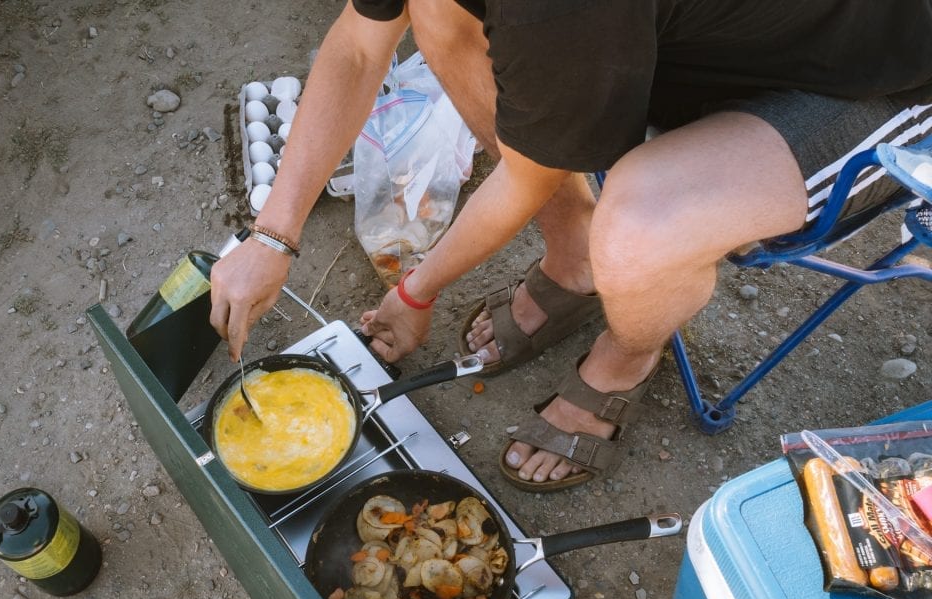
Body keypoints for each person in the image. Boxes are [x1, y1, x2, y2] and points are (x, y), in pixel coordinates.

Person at [211, 0, 932, 492]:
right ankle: (576, 259)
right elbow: (359, 45)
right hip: (701, 35)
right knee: (438, 10)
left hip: (866, 74)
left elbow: (527, 176)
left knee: (643, 224)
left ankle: (625, 359)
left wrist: (415, 291)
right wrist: (274, 232)